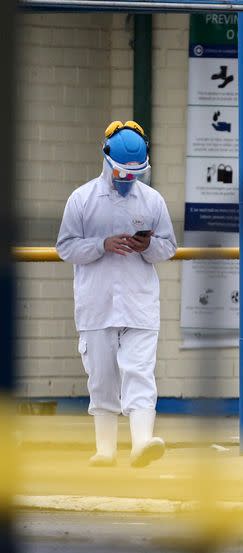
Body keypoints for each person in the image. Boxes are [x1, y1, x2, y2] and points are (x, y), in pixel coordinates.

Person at [56, 120, 177, 468]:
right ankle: (106, 450)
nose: (128, 180)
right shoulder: (81, 200)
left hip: (139, 305)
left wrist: (147, 245)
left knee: (140, 372)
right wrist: (102, 244)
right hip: (97, 304)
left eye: (134, 174)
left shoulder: (152, 200)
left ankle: (142, 443)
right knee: (102, 377)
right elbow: (66, 247)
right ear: (107, 160)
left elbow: (168, 247)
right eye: (123, 173)